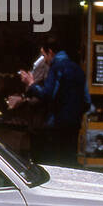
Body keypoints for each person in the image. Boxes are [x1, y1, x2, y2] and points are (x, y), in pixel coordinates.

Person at [20, 37, 88, 167]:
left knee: (55, 162)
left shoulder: (56, 68)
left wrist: (31, 84)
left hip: (57, 124)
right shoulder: (78, 69)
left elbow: (47, 94)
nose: (44, 59)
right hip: (74, 123)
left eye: (44, 55)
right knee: (69, 161)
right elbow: (86, 101)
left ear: (50, 52)